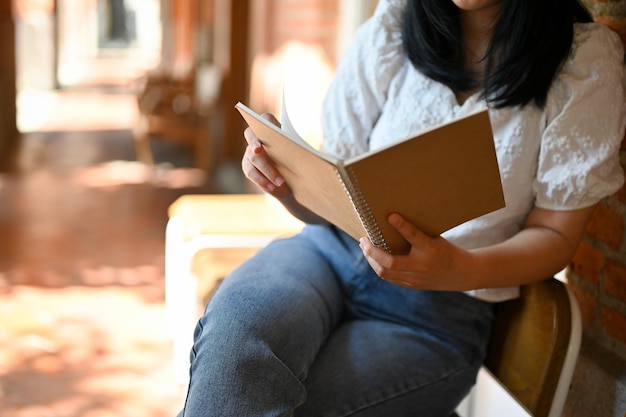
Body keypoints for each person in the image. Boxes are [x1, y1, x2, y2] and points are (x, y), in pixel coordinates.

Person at [178, 0, 625, 415]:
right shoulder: (396, 22)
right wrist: (288, 186)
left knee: (289, 402)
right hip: (325, 253)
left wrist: (458, 268)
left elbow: (557, 235)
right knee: (235, 345)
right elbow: (337, 195)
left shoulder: (582, 62)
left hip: (436, 315)